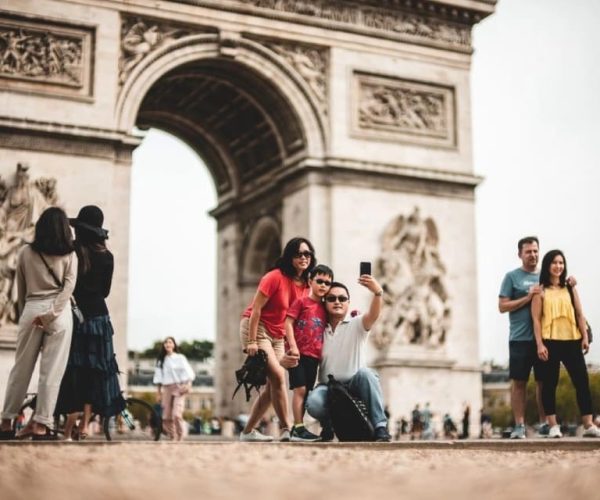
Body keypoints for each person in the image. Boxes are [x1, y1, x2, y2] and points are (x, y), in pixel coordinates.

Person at [0, 207, 77, 440]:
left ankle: (5, 423)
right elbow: (69, 287)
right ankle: (41, 425)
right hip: (60, 313)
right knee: (51, 373)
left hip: (32, 308)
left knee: (20, 370)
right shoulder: (70, 254)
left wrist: (30, 314)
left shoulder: (25, 252)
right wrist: (52, 313)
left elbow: (20, 289)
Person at [55, 205, 126, 440]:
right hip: (99, 319)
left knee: (73, 371)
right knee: (95, 373)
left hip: (74, 316)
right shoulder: (108, 257)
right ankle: (85, 425)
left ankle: (67, 428)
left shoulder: (72, 252)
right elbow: (105, 292)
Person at [239, 237, 315, 442]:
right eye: (299, 254)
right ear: (290, 257)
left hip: (278, 335)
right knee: (279, 377)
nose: (303, 258)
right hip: (257, 328)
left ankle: (247, 432)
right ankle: (287, 429)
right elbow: (256, 310)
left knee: (274, 384)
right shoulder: (274, 277)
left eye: (307, 254)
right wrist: (252, 341)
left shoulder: (307, 285)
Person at [305, 276, 392, 442]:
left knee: (367, 374)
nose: (337, 302)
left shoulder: (357, 324)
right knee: (314, 402)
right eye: (331, 298)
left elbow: (373, 315)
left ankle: (380, 427)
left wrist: (378, 293)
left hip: (356, 384)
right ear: (324, 303)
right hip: (328, 388)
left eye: (342, 298)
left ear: (348, 303)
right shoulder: (317, 330)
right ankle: (328, 424)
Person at [531, 249, 600, 438]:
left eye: (561, 263)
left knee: (582, 383)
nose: (558, 266)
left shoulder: (570, 288)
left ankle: (588, 424)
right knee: (549, 384)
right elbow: (536, 320)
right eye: (554, 262)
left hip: (572, 340)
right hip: (550, 341)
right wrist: (539, 344)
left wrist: (584, 336)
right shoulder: (540, 291)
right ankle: (553, 426)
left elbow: (579, 313)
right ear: (547, 265)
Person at [498, 236, 547, 439]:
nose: (533, 255)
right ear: (520, 254)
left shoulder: (546, 277)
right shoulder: (512, 277)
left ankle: (546, 423)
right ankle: (520, 425)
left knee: (544, 382)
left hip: (544, 338)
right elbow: (502, 306)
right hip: (519, 338)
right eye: (528, 251)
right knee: (519, 383)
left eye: (535, 251)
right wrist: (527, 297)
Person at [284, 264, 333, 442]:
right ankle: (297, 428)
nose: (323, 286)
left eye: (327, 283)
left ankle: (300, 428)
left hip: (314, 357)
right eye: (319, 281)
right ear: (310, 281)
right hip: (298, 354)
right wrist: (293, 346)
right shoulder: (301, 302)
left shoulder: (325, 308)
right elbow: (288, 323)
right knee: (300, 390)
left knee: (307, 392)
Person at [153, 336, 195, 441]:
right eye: (166, 342)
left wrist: (189, 384)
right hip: (167, 388)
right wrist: (158, 393)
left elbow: (188, 372)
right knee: (166, 416)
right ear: (163, 345)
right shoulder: (161, 361)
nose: (168, 344)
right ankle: (172, 436)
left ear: (174, 345)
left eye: (170, 342)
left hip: (180, 387)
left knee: (176, 414)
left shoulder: (180, 358)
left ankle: (180, 435)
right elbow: (158, 378)